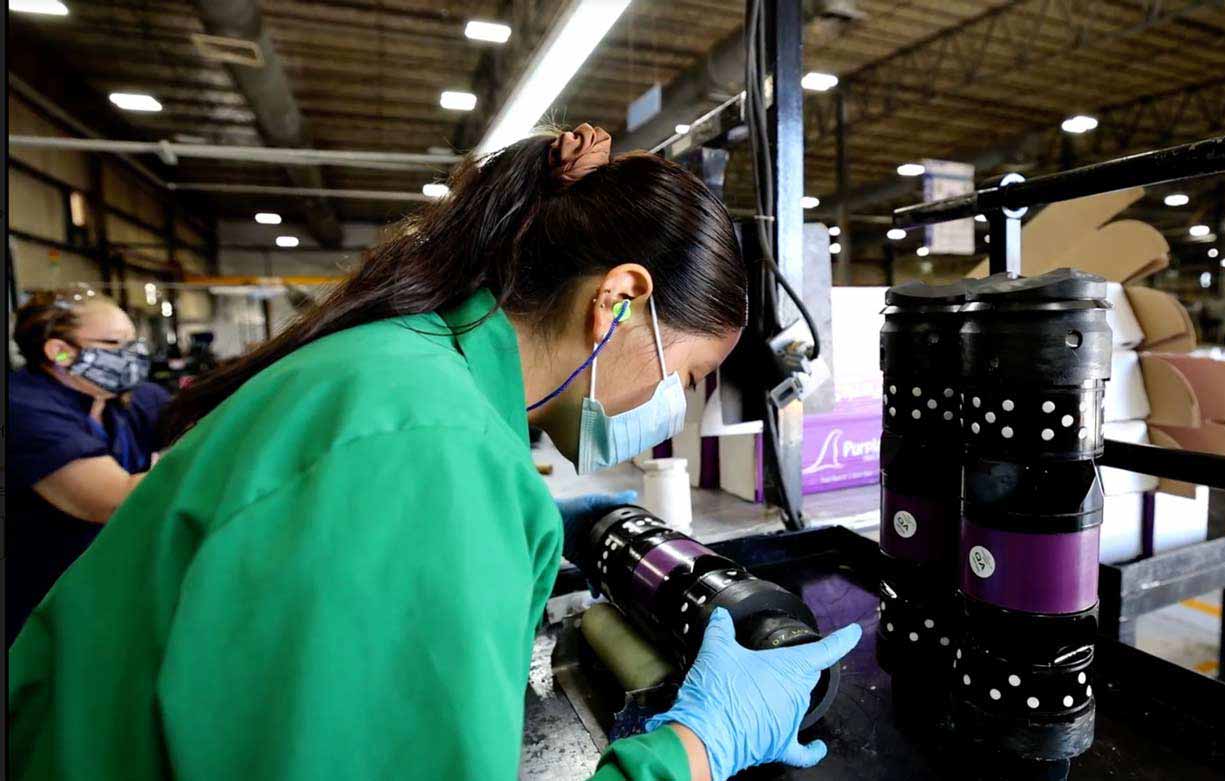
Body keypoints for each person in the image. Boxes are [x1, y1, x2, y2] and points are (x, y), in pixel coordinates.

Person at [8, 125, 859, 781]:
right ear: (620, 301)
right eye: (689, 376)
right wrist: (694, 750)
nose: (671, 408)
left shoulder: (404, 368)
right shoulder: (432, 451)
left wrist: (516, 533)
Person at [6, 292, 169, 645]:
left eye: (133, 342)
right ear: (59, 352)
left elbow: (200, 421)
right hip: (36, 603)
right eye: (113, 343)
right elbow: (114, 499)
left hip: (101, 591)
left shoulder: (128, 399)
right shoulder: (23, 409)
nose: (131, 356)